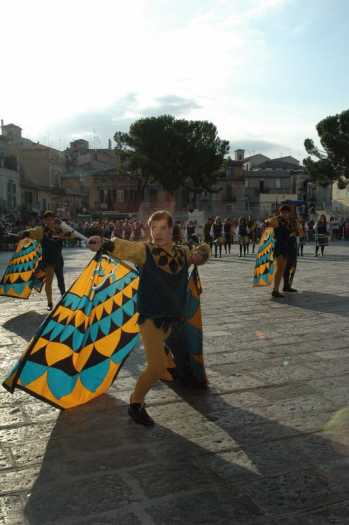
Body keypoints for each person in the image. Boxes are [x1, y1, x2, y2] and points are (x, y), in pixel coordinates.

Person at [88, 210, 210, 426]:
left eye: (163, 228)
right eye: (154, 228)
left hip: (175, 318)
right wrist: (105, 243)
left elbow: (196, 257)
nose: (158, 233)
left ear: (172, 229)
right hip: (152, 318)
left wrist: (203, 252)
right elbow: (127, 248)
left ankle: (181, 371)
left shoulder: (182, 252)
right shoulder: (146, 251)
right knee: (155, 367)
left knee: (182, 351)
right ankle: (136, 404)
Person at [20, 211, 75, 310]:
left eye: (51, 219)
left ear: (54, 219)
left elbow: (72, 235)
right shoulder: (40, 230)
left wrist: (67, 232)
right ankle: (50, 303)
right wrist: (24, 233)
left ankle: (64, 300)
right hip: (48, 260)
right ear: (44, 220)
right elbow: (30, 232)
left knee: (61, 281)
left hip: (58, 259)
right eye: (47, 219)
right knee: (49, 282)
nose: (49, 221)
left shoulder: (60, 230)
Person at [266, 205, 291, 298]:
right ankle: (275, 290)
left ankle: (276, 289)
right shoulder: (276, 220)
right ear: (280, 212)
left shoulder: (288, 222)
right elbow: (268, 225)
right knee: (279, 267)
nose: (285, 214)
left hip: (285, 246)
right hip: (277, 246)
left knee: (281, 269)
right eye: (283, 212)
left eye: (287, 212)